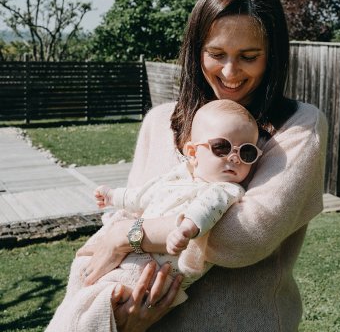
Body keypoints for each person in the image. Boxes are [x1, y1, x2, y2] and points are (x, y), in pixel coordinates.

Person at [62, 0, 328, 332]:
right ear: (195, 51)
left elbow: (244, 237)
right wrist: (123, 319)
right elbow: (135, 205)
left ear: (273, 56)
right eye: (216, 54)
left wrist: (125, 235)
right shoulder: (159, 121)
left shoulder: (298, 126)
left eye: (249, 56)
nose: (230, 72)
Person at [46, 100, 263, 331]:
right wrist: (113, 196)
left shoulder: (227, 189)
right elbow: (143, 195)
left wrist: (186, 229)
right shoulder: (178, 176)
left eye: (247, 152)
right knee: (81, 271)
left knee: (101, 302)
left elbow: (207, 210)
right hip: (132, 255)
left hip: (153, 273)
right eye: (222, 147)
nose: (234, 158)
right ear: (192, 152)